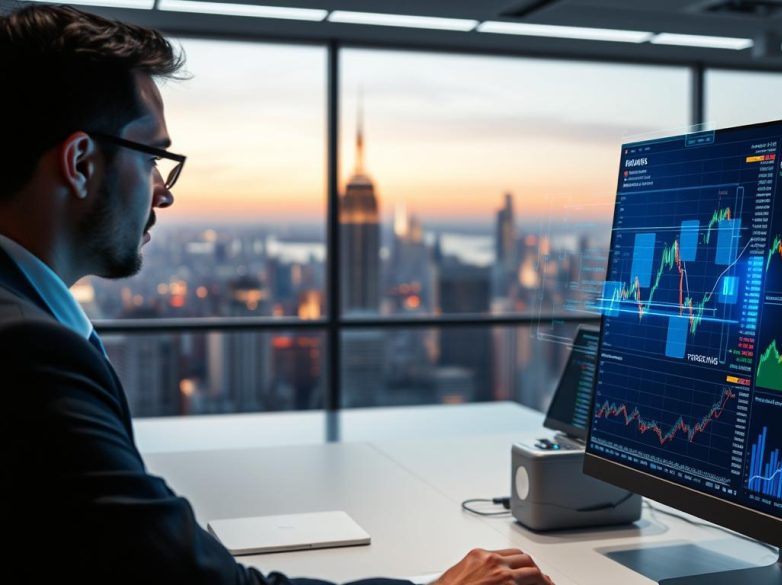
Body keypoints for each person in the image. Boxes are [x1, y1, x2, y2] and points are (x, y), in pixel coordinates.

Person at [0, 4, 554, 584]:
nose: (163, 192)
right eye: (152, 158)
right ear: (80, 164)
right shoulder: (28, 352)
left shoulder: (24, 317)